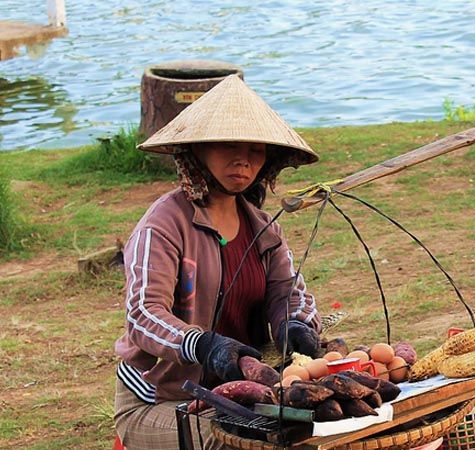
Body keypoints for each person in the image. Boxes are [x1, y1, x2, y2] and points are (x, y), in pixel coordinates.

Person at [113, 75, 322, 449]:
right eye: (228, 145)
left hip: (241, 394)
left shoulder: (264, 229)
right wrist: (204, 345)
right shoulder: (163, 225)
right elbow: (143, 314)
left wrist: (296, 325)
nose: (243, 159)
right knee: (234, 440)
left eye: (255, 150)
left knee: (313, 427)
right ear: (199, 150)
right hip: (163, 399)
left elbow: (288, 292)